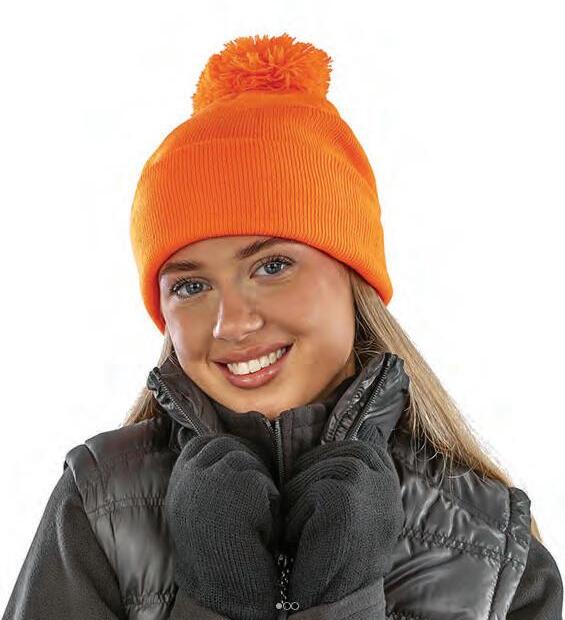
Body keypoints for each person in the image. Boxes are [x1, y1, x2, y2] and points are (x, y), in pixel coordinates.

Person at [3, 33, 563, 620]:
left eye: (272, 267)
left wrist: (344, 603)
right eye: (191, 286)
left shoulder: (492, 545)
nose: (233, 323)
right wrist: (216, 602)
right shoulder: (99, 507)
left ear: (352, 276)